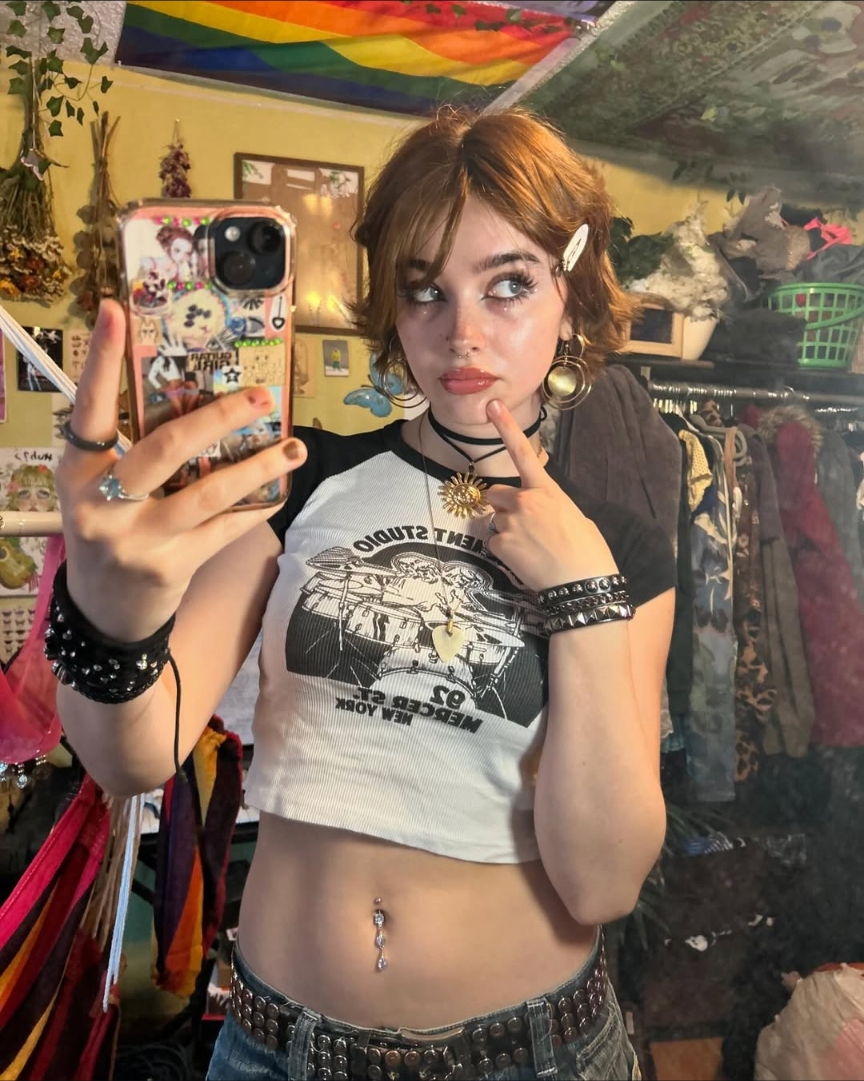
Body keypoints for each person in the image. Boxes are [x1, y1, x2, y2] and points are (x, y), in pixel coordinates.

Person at [52, 108, 676, 1081]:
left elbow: (602, 881)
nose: (462, 331)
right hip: (277, 1050)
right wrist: (107, 610)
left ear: (572, 295)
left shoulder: (617, 541)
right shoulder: (301, 480)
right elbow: (132, 754)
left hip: (533, 1057)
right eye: (426, 289)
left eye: (509, 283)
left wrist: (584, 594)